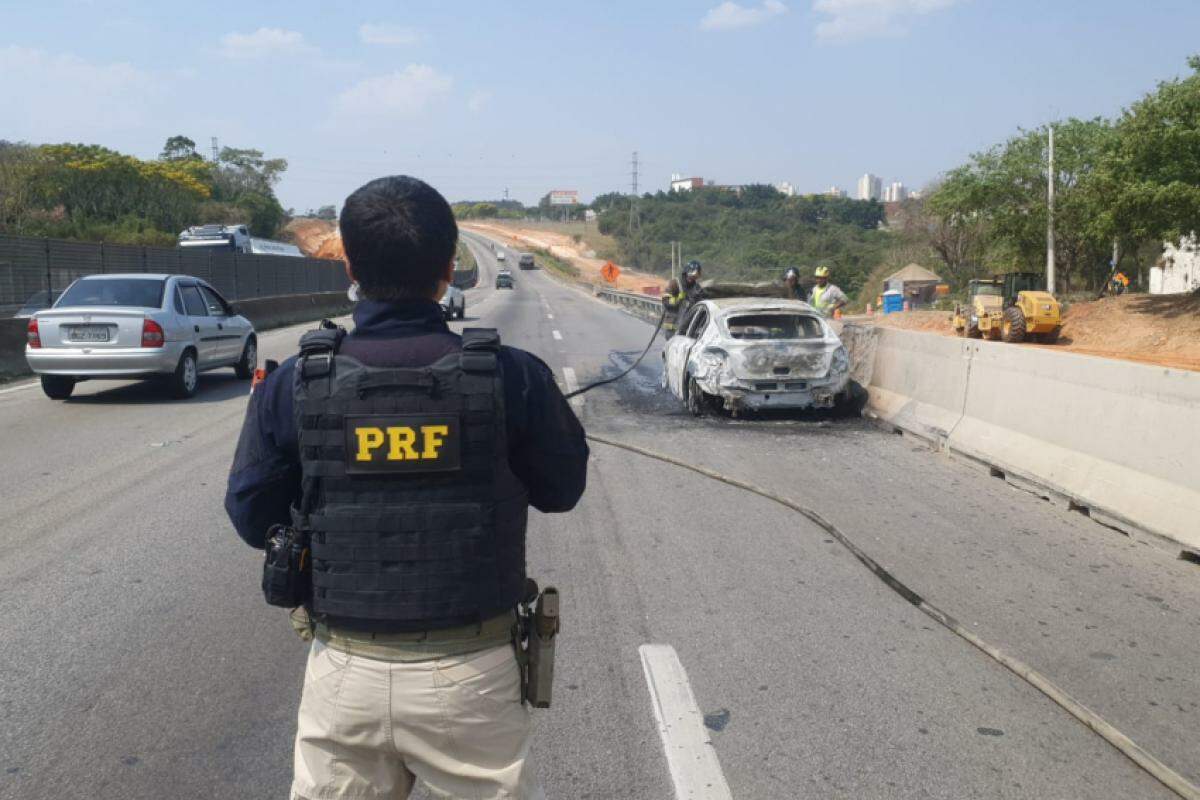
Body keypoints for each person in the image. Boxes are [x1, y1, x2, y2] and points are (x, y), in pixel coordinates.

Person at [225, 175, 588, 800]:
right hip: (472, 679)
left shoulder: (295, 384)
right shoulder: (512, 377)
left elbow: (253, 516)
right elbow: (561, 490)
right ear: (449, 268)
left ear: (349, 265)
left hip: (345, 674)